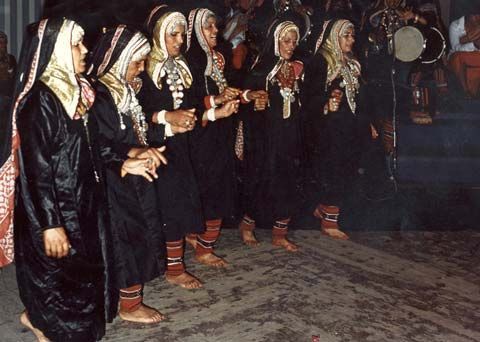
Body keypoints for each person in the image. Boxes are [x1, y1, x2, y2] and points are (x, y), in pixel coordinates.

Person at [8, 18, 147, 341]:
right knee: (59, 279)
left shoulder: (78, 92)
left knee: (83, 276)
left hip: (83, 202)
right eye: (76, 44)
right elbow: (36, 170)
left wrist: (125, 160)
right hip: (54, 208)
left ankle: (41, 320)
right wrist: (50, 224)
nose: (85, 50)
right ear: (54, 50)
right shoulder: (40, 101)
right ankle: (47, 325)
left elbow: (94, 145)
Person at [88, 25, 168, 324]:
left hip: (130, 174)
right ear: (119, 59)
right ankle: (129, 306)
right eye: (136, 61)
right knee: (124, 242)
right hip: (111, 180)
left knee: (138, 234)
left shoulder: (125, 90)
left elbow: (136, 133)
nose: (142, 68)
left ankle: (131, 300)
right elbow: (100, 143)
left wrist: (146, 147)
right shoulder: (100, 94)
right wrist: (129, 155)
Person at [138, 5, 204, 289]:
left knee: (177, 204)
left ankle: (174, 266)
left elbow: (192, 104)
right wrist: (166, 117)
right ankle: (166, 267)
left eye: (182, 34)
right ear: (157, 34)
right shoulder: (142, 68)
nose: (179, 40)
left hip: (179, 145)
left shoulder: (183, 66)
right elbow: (135, 113)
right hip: (153, 146)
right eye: (172, 34)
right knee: (162, 208)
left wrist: (209, 113)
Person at [303, 19, 376, 240]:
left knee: (347, 168)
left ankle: (324, 208)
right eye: (347, 36)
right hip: (329, 127)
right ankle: (329, 221)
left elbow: (358, 98)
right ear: (334, 36)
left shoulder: (352, 62)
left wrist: (368, 122)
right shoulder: (321, 61)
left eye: (352, 36)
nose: (351, 40)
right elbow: (309, 96)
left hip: (350, 126)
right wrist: (326, 104)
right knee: (334, 170)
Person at [238, 20, 304, 252]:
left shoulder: (296, 68)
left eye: (294, 42)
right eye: (286, 41)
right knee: (262, 180)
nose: (291, 46)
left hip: (288, 136)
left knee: (288, 181)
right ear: (275, 41)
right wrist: (255, 101)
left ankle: (280, 234)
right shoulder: (262, 67)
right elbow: (244, 98)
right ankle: (247, 226)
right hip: (266, 138)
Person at [448, 11, 480, 98]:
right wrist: (473, 44)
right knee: (458, 57)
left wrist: (465, 40)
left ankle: (473, 92)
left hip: (476, 57)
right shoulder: (455, 25)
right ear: (467, 14)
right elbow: (455, 48)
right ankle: (466, 92)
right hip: (459, 56)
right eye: (474, 15)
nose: (477, 17)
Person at [0, 31, 16, 97]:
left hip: (9, 96)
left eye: (5, 42)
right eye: (0, 42)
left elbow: (16, 77)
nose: (3, 45)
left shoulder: (11, 58)